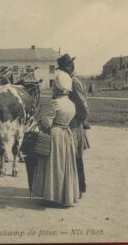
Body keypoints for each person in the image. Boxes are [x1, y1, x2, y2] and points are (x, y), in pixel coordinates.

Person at [32, 70, 79, 207]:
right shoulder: (71, 104)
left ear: (58, 88)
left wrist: (40, 119)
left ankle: (52, 196)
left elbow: (46, 123)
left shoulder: (55, 103)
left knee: (54, 165)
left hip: (55, 134)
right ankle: (65, 196)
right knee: (65, 165)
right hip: (66, 133)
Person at [56, 54, 89, 198]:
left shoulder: (74, 81)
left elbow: (82, 105)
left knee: (75, 155)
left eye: (63, 69)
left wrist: (79, 118)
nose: (62, 72)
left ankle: (78, 188)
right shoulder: (78, 78)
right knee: (74, 155)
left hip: (74, 122)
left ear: (69, 67)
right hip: (74, 120)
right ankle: (76, 187)